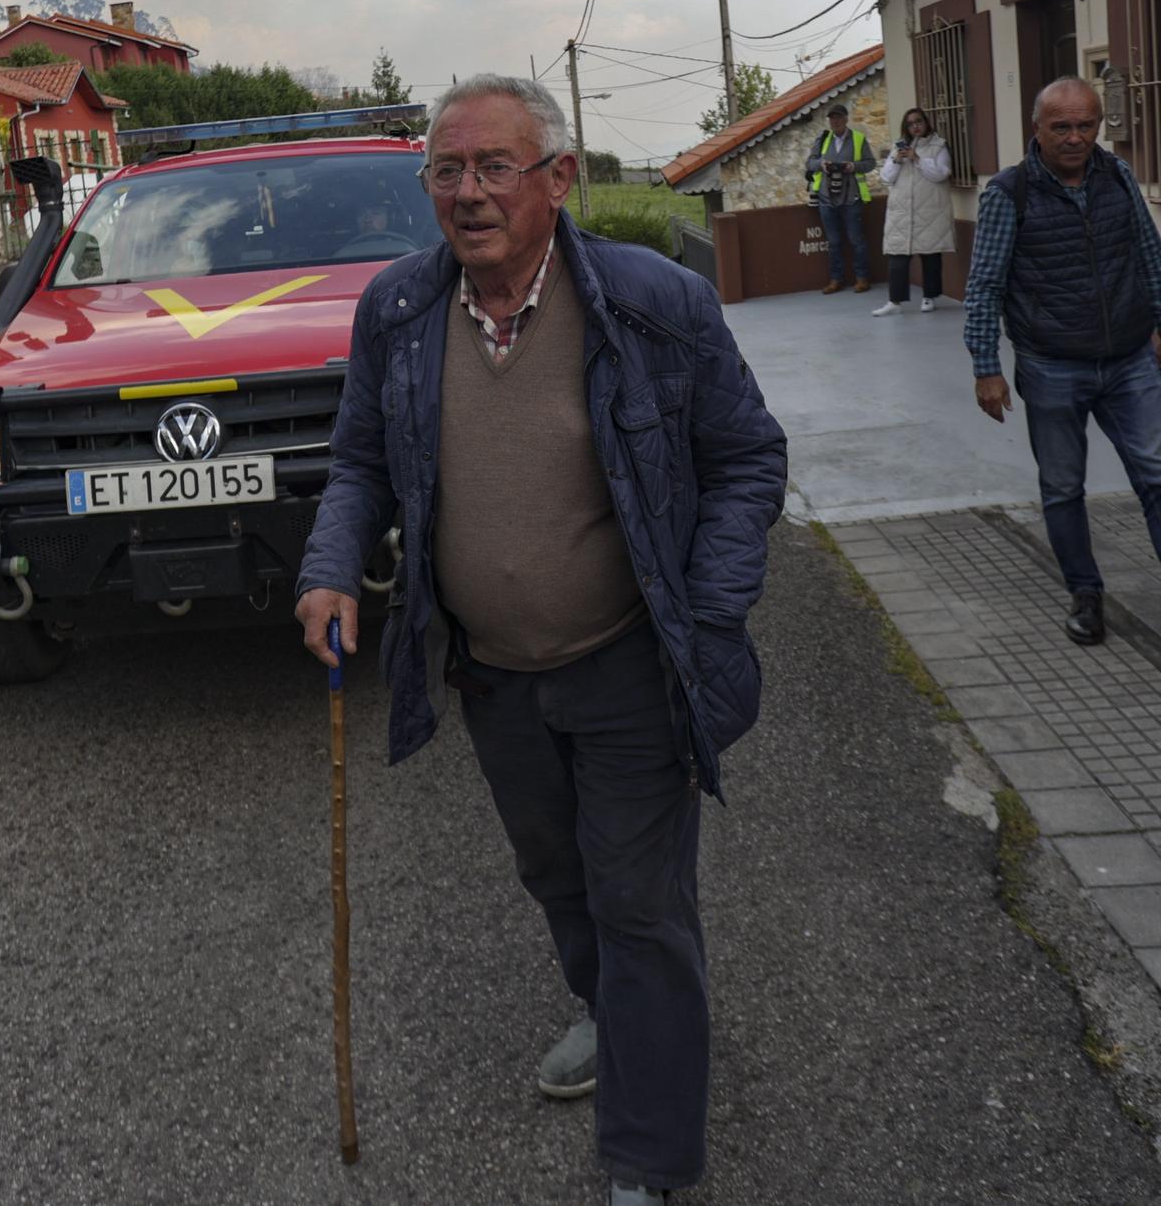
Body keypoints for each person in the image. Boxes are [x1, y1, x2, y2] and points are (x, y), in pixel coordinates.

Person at [294, 74, 787, 1205]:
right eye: (445, 171)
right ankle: (614, 1016)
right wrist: (329, 566)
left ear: (557, 179)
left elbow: (747, 457)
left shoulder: (653, 303)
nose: (467, 194)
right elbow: (361, 459)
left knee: (638, 901)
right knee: (556, 875)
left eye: (492, 168)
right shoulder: (399, 312)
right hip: (491, 675)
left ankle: (646, 1160)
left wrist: (708, 611)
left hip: (630, 660)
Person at [965, 76, 1161, 645]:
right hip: (1052, 367)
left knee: (1155, 475)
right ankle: (1086, 594)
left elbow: (1149, 252)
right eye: (1062, 127)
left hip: (1129, 361)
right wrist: (986, 367)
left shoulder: (1117, 175)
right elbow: (983, 286)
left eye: (1086, 125)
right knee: (1062, 487)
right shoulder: (1009, 193)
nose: (1076, 138)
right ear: (1037, 130)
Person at [872, 106, 956, 315]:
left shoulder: (939, 146)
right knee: (897, 258)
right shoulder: (898, 148)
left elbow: (941, 174)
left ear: (926, 123)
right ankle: (894, 302)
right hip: (901, 211)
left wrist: (917, 158)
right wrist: (897, 160)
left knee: (930, 256)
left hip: (929, 211)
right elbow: (885, 178)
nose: (915, 126)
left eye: (918, 121)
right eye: (910, 124)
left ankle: (929, 297)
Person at [805, 102, 876, 294]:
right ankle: (836, 279)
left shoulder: (858, 139)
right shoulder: (823, 138)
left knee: (856, 239)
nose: (835, 121)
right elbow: (809, 163)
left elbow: (871, 164)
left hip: (851, 197)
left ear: (846, 119)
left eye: (838, 117)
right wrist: (822, 164)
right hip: (827, 198)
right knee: (833, 241)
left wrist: (852, 166)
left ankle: (862, 278)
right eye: (832, 118)